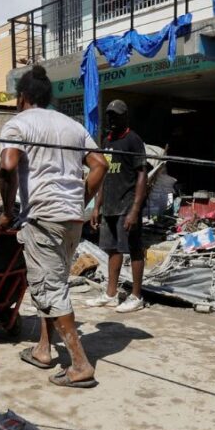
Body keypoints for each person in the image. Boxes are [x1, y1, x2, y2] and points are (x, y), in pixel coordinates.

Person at [0, 65, 108, 389]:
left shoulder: (18, 124)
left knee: (50, 288)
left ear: (22, 97)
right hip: (71, 221)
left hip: (43, 218)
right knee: (52, 283)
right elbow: (100, 164)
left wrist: (7, 211)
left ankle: (80, 365)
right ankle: (44, 349)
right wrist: (80, 199)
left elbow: (8, 166)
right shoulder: (72, 126)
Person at [86, 99, 148, 313]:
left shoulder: (133, 140)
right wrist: (97, 207)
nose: (112, 120)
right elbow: (103, 177)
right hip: (110, 206)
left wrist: (135, 210)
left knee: (134, 248)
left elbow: (142, 176)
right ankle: (111, 295)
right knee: (112, 250)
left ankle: (136, 296)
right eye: (110, 116)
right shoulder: (107, 141)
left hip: (127, 205)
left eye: (116, 116)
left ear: (125, 117)